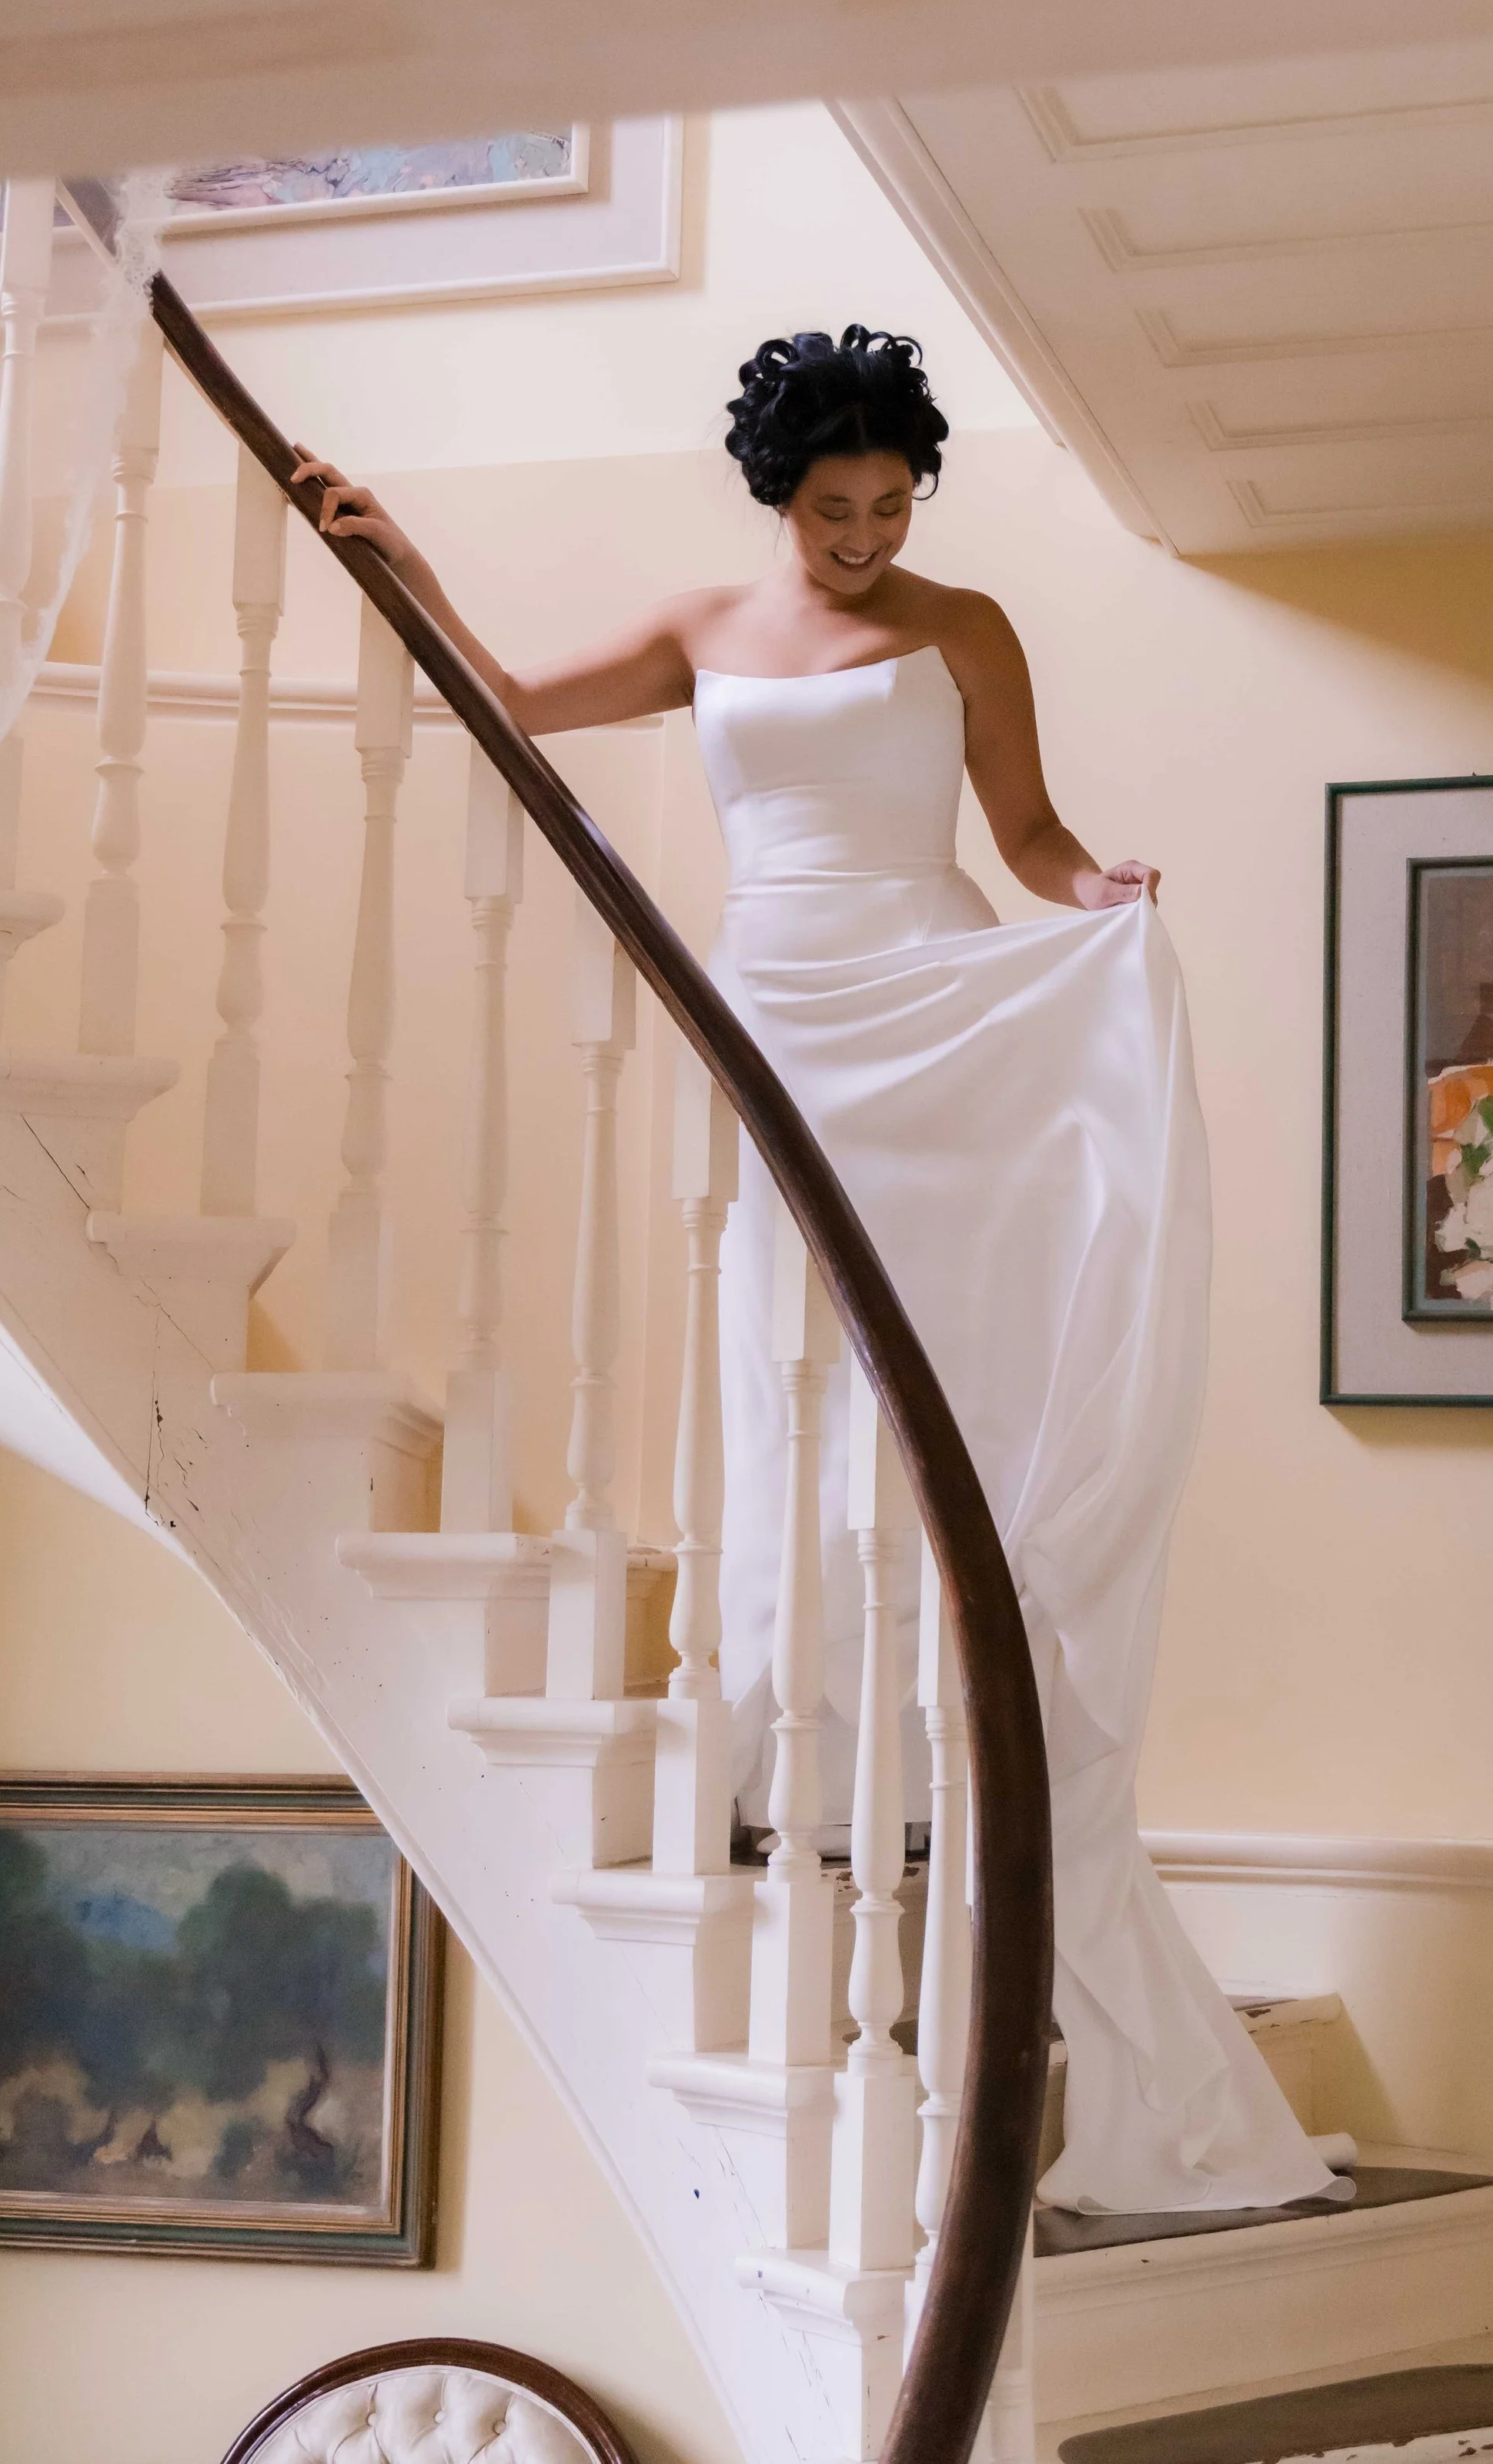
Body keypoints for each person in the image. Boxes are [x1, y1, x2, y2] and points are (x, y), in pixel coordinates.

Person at [290, 327, 1341, 2215]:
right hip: (776, 1012)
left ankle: (956, 1733)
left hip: (930, 1002)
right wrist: (403, 561)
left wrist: (1098, 892)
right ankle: (797, 1742)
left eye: (889, 505)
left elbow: (1020, 835)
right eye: (832, 508)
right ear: (777, 495)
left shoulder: (966, 626)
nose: (863, 535)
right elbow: (514, 701)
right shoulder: (702, 621)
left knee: (950, 1361)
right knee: (787, 1356)